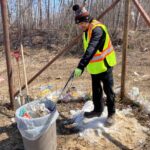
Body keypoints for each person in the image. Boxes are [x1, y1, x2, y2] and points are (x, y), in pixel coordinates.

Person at [72, 4, 117, 126]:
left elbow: (91, 48)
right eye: (79, 24)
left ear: (86, 20)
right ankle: (98, 110)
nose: (80, 26)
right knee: (96, 90)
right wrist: (84, 65)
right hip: (94, 67)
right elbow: (89, 50)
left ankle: (112, 113)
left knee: (108, 90)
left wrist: (81, 66)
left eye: (81, 23)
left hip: (105, 64)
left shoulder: (98, 29)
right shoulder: (87, 29)